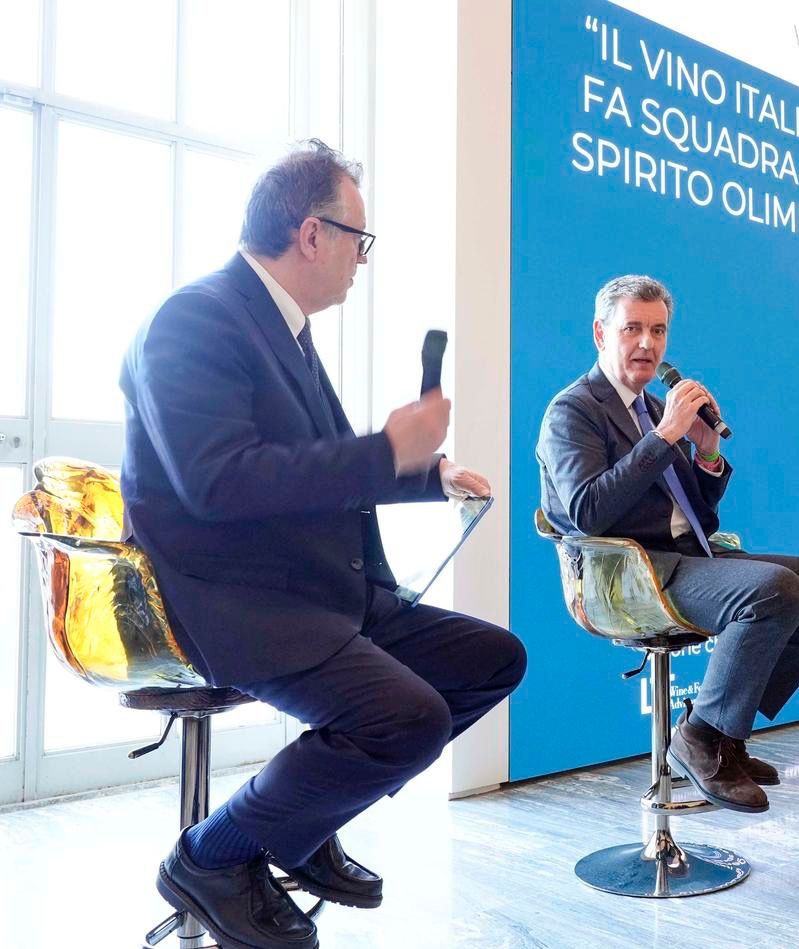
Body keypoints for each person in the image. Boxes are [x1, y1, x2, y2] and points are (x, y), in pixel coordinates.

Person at [120, 140, 526, 949]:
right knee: (408, 718)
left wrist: (428, 474)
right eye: (358, 240)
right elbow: (219, 481)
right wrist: (389, 448)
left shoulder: (284, 330)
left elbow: (318, 465)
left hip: (318, 589)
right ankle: (210, 856)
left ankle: (297, 823)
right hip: (233, 600)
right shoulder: (192, 319)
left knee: (492, 661)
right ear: (312, 234)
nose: (361, 260)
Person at [536, 274, 799, 815]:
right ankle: (703, 736)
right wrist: (663, 437)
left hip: (691, 557)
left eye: (658, 330)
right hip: (630, 574)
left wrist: (707, 454)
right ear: (600, 333)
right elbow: (588, 513)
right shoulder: (573, 410)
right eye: (632, 329)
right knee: (773, 590)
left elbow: (698, 516)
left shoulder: (654, 409)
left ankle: (720, 729)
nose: (647, 343)